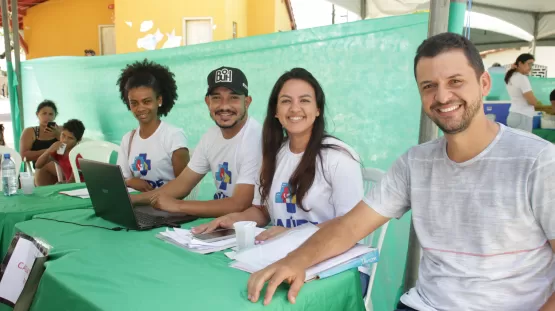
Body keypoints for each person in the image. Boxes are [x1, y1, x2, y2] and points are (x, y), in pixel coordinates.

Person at [246, 33, 555, 311]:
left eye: (456, 82)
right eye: (429, 86)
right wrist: (295, 261)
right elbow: (349, 227)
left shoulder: (538, 160)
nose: (443, 96)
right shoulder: (415, 163)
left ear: (484, 83)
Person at [192, 67, 363, 240]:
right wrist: (231, 219)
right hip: (280, 251)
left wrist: (293, 234)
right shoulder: (273, 154)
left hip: (328, 255)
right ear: (276, 111)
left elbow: (353, 222)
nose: (295, 109)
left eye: (304, 100)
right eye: (286, 101)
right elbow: (262, 211)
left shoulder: (340, 158)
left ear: (318, 109)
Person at [131, 66, 262, 218]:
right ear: (208, 102)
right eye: (216, 98)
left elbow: (239, 204)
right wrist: (133, 200)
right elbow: (182, 184)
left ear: (247, 102)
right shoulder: (211, 136)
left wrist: (178, 205)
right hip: (222, 223)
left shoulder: (256, 138)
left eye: (233, 98)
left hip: (249, 229)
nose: (224, 106)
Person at [116, 59, 190, 192]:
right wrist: (131, 181)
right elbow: (121, 179)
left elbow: (183, 187)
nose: (140, 108)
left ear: (159, 100)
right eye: (134, 103)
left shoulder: (173, 136)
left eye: (147, 101)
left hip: (166, 210)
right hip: (137, 207)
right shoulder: (128, 139)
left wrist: (148, 199)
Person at [19, 100, 61, 185]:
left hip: (61, 165)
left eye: (51, 114)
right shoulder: (30, 132)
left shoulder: (61, 130)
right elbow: (23, 155)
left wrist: (58, 135)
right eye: (44, 113)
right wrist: (49, 151)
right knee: (49, 164)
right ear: (37, 114)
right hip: (41, 167)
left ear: (55, 116)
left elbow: (71, 149)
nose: (47, 117)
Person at [35, 119, 86, 184]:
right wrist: (49, 150)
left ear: (78, 140)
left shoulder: (78, 155)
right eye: (63, 135)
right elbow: (38, 165)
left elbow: (74, 181)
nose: (65, 140)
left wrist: (62, 185)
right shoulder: (60, 149)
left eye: (70, 138)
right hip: (70, 185)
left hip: (82, 188)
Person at [505, 53, 541, 132]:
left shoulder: (510, 76)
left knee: (514, 143)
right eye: (529, 64)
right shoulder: (522, 78)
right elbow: (532, 101)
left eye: (532, 65)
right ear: (520, 64)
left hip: (513, 114)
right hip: (523, 116)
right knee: (525, 144)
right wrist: (536, 102)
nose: (530, 67)